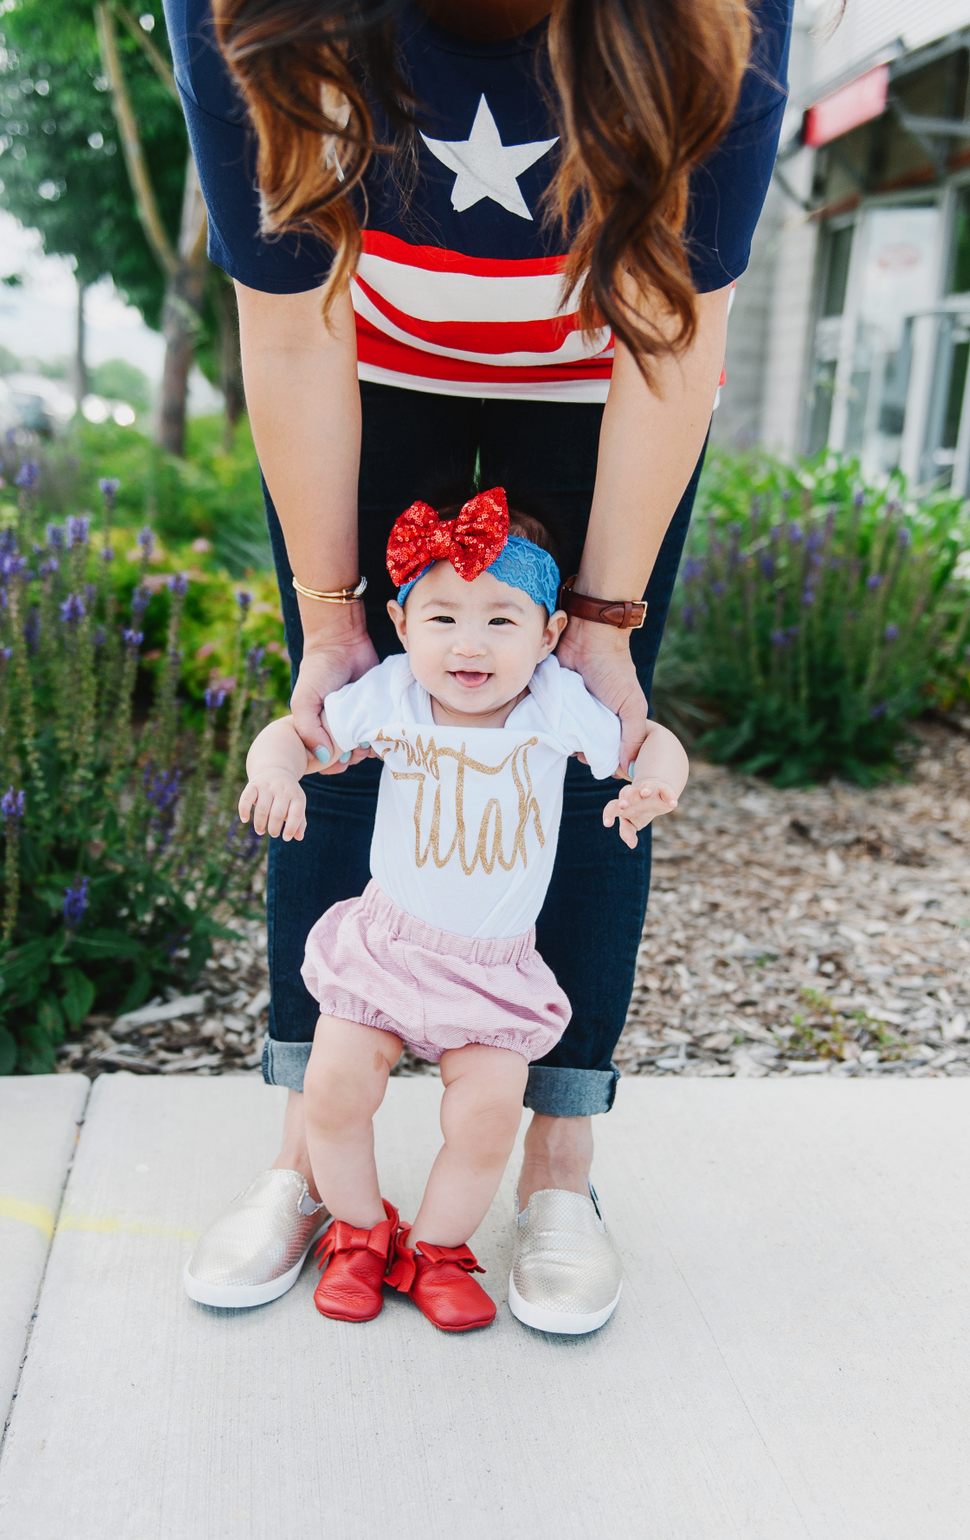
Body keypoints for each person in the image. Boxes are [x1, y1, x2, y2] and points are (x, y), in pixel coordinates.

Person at [162, 0, 802, 1330]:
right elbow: (281, 329)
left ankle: (556, 1161)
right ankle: (305, 1160)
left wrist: (609, 621)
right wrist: (334, 623)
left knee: (582, 744)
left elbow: (678, 335)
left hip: (602, 368)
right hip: (358, 355)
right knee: (342, 725)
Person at [232, 489, 688, 1333]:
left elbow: (647, 738)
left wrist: (659, 782)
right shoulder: (393, 692)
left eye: (501, 622)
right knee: (335, 1089)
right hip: (387, 950)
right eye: (442, 618)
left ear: (550, 636)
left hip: (493, 971)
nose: (467, 645)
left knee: (482, 1121)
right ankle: (360, 1234)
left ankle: (437, 1249)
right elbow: (292, 732)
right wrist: (274, 772)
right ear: (401, 625)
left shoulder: (557, 704)